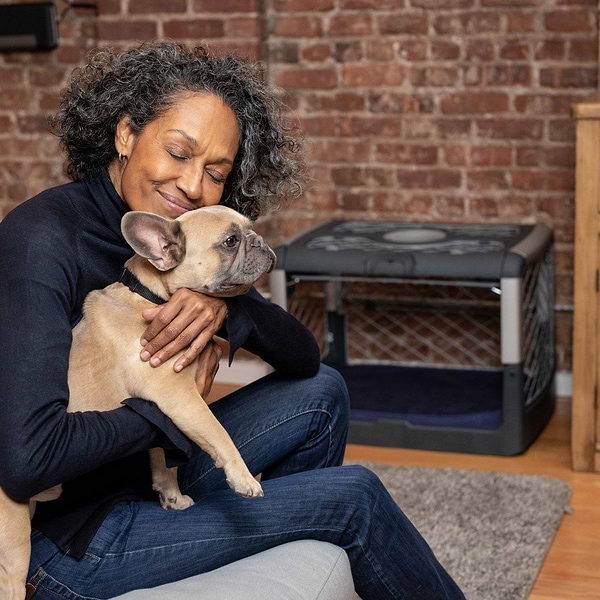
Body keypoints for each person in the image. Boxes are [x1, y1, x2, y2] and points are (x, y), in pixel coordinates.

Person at [0, 41, 466, 600]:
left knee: (323, 393)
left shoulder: (192, 244)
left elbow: (303, 358)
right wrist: (164, 411)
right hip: (76, 538)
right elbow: (27, 461)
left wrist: (225, 306)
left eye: (215, 172)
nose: (194, 186)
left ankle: (290, 553)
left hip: (153, 476)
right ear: (125, 134)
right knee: (356, 498)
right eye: (178, 152)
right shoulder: (40, 243)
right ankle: (307, 529)